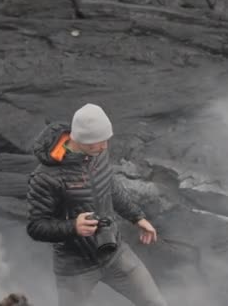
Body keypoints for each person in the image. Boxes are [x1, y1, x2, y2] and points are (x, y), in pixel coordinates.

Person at [26, 103, 167, 306]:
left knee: (155, 303)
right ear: (80, 139)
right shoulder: (44, 177)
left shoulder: (97, 153)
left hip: (114, 251)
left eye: (106, 140)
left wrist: (137, 217)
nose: (104, 147)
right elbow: (36, 227)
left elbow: (109, 185)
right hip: (74, 267)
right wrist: (73, 227)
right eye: (97, 142)